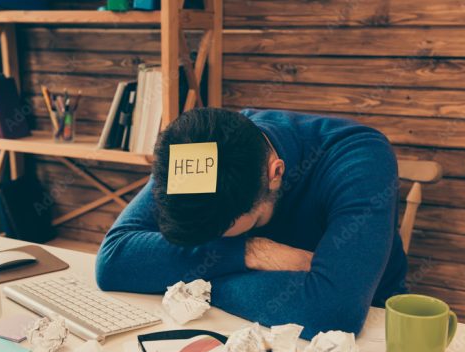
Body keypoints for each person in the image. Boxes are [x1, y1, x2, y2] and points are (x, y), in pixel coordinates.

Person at [95, 108, 408, 339]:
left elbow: (332, 312)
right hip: (233, 325)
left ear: (275, 174)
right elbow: (113, 260)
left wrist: (193, 284)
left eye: (225, 233)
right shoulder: (203, 145)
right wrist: (248, 251)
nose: (214, 243)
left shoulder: (360, 158)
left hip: (360, 340)